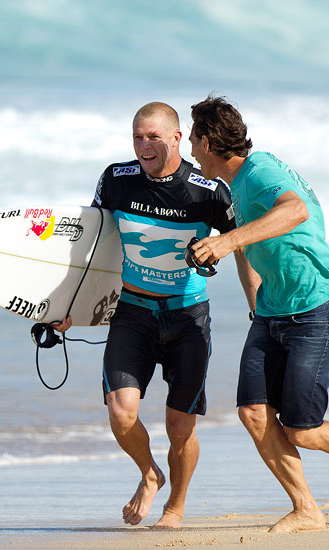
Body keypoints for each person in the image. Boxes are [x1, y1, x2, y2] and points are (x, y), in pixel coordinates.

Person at [186, 96, 329, 533]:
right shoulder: (237, 183)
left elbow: (295, 210)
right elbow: (249, 245)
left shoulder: (260, 171)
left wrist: (227, 242)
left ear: (209, 141)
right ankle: (307, 509)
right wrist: (255, 302)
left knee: (302, 430)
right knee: (253, 413)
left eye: (194, 141)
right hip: (273, 312)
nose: (192, 152)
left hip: (316, 313)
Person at [54, 102, 252, 529]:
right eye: (137, 137)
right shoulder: (115, 179)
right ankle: (149, 473)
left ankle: (176, 508)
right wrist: (69, 305)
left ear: (178, 138)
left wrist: (258, 303)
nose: (144, 146)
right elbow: (90, 247)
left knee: (180, 427)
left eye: (153, 137)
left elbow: (242, 243)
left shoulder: (209, 191)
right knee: (121, 411)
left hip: (187, 318)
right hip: (133, 313)